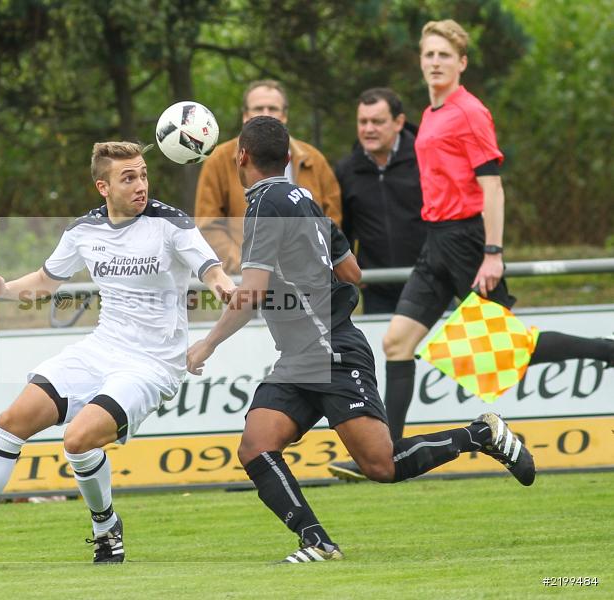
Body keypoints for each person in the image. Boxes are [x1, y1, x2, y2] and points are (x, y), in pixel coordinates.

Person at [186, 115, 535, 563]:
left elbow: (252, 293)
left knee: (381, 465)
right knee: (256, 445)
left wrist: (208, 342)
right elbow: (352, 272)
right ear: (288, 157)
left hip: (330, 349)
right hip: (301, 354)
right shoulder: (304, 199)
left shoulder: (264, 204)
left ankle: (481, 434)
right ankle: (316, 542)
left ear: (241, 157)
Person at [0, 141, 234, 567]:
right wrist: (3, 290)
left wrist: (223, 286)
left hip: (152, 364)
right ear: (103, 187)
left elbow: (211, 270)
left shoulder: (171, 224)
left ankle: (105, 528)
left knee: (77, 440)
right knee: (11, 421)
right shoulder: (83, 231)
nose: (140, 185)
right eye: (128, 178)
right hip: (101, 348)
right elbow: (44, 281)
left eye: (143, 175)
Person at [329, 19, 614, 481]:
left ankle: (606, 350)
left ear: (461, 63)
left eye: (444, 55)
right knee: (396, 342)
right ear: (420, 61)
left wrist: (493, 252)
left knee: (506, 350)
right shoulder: (433, 113)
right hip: (435, 241)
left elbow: (493, 188)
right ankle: (385, 456)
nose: (435, 62)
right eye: (429, 54)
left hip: (467, 241)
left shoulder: (469, 112)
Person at [194, 79, 341, 273]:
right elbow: (208, 225)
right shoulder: (219, 160)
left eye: (273, 108)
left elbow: (332, 219)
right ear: (245, 115)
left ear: (284, 115)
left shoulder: (313, 159)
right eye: (258, 108)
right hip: (245, 279)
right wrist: (249, 266)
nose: (266, 114)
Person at [334, 88, 426, 314]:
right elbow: (342, 230)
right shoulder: (346, 170)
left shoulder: (426, 160)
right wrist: (349, 268)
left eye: (377, 121)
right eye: (363, 122)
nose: (368, 129)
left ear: (398, 122)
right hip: (377, 289)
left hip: (429, 284)